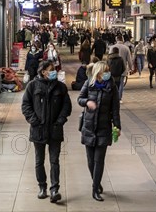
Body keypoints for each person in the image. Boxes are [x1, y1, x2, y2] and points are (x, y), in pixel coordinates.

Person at [21, 60, 72, 203]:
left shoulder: (60, 87)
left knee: (54, 161)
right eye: (51, 69)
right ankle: (42, 187)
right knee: (39, 161)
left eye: (54, 69)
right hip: (38, 130)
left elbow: (66, 106)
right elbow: (25, 105)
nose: (54, 71)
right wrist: (34, 120)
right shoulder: (32, 86)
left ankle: (54, 189)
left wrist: (60, 120)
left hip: (55, 130)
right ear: (43, 72)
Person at [77, 61, 121, 201]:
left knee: (99, 160)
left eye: (108, 70)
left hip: (104, 127)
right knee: (90, 161)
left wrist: (117, 126)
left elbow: (115, 109)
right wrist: (87, 102)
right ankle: (97, 182)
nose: (108, 73)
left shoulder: (111, 86)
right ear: (98, 72)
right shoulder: (89, 83)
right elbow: (80, 98)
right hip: (89, 126)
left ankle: (95, 189)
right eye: (105, 71)